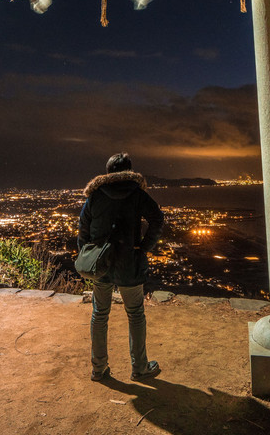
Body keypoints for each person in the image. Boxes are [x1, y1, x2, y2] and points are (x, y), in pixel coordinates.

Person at [78, 152, 165, 381]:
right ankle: (140, 368)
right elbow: (157, 219)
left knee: (99, 314)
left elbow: (83, 229)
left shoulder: (95, 196)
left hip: (101, 265)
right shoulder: (137, 194)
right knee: (135, 314)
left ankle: (98, 369)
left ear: (108, 173)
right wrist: (144, 247)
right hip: (130, 263)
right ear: (129, 171)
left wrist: (88, 254)